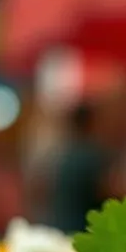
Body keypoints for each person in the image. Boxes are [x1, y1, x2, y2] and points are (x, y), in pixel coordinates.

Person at [47, 101, 111, 235]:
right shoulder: (91, 155)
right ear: (90, 123)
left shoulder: (61, 155)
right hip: (82, 230)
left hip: (60, 227)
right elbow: (109, 190)